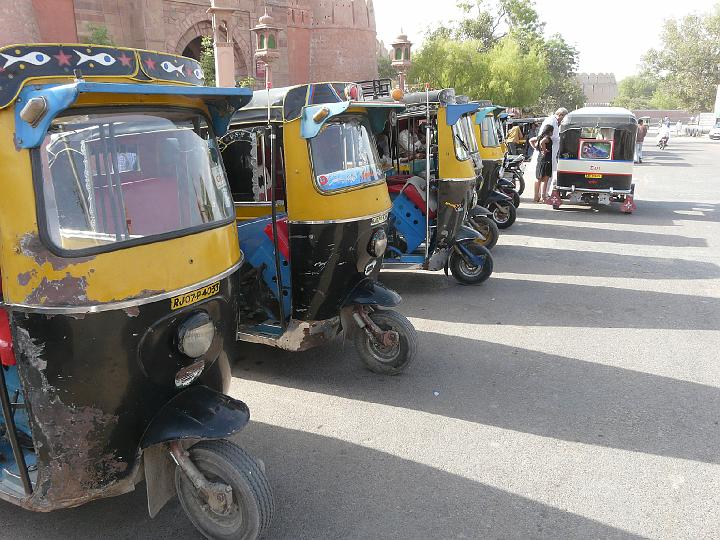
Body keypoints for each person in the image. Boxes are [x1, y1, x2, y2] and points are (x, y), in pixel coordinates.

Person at [538, 107, 568, 197]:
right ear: (560, 115)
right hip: (548, 152)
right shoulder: (551, 122)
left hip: (550, 151)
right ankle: (544, 194)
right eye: (563, 118)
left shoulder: (553, 121)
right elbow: (545, 138)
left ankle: (542, 194)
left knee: (544, 175)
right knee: (546, 175)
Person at [530, 124, 554, 202]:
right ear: (550, 131)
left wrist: (536, 148)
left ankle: (536, 197)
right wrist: (544, 150)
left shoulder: (539, 137)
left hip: (540, 159)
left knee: (538, 178)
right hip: (547, 160)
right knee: (545, 179)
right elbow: (542, 143)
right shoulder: (547, 138)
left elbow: (531, 140)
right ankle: (544, 197)